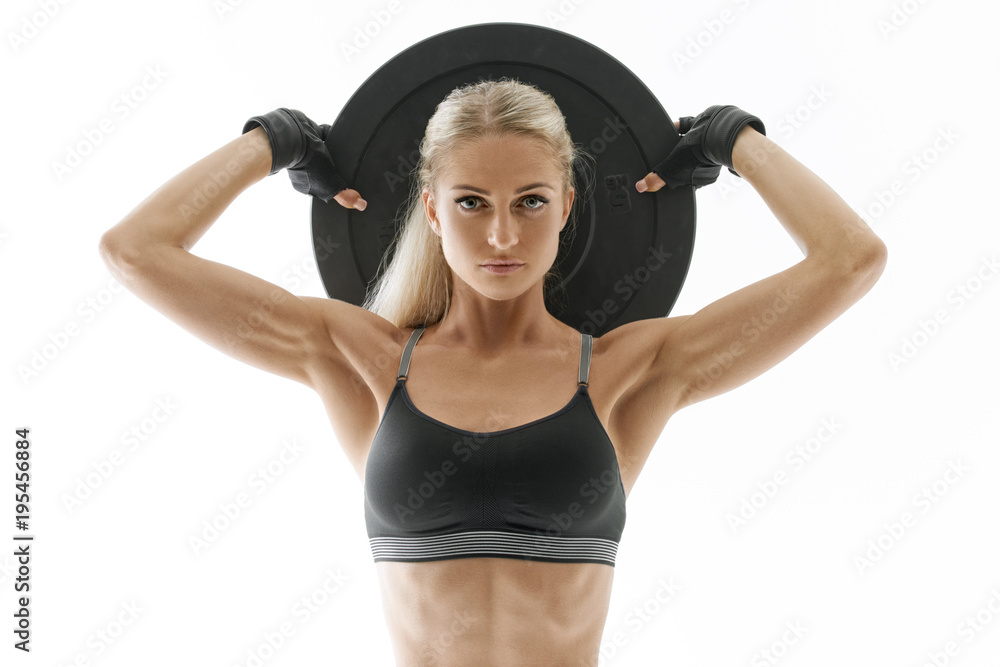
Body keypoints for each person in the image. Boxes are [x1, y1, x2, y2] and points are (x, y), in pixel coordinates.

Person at [98, 78, 887, 666]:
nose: (502, 232)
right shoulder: (364, 360)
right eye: (471, 202)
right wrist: (278, 139)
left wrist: (731, 136)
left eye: (531, 201)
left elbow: (852, 260)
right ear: (433, 210)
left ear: (569, 204)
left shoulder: (627, 373)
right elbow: (135, 252)